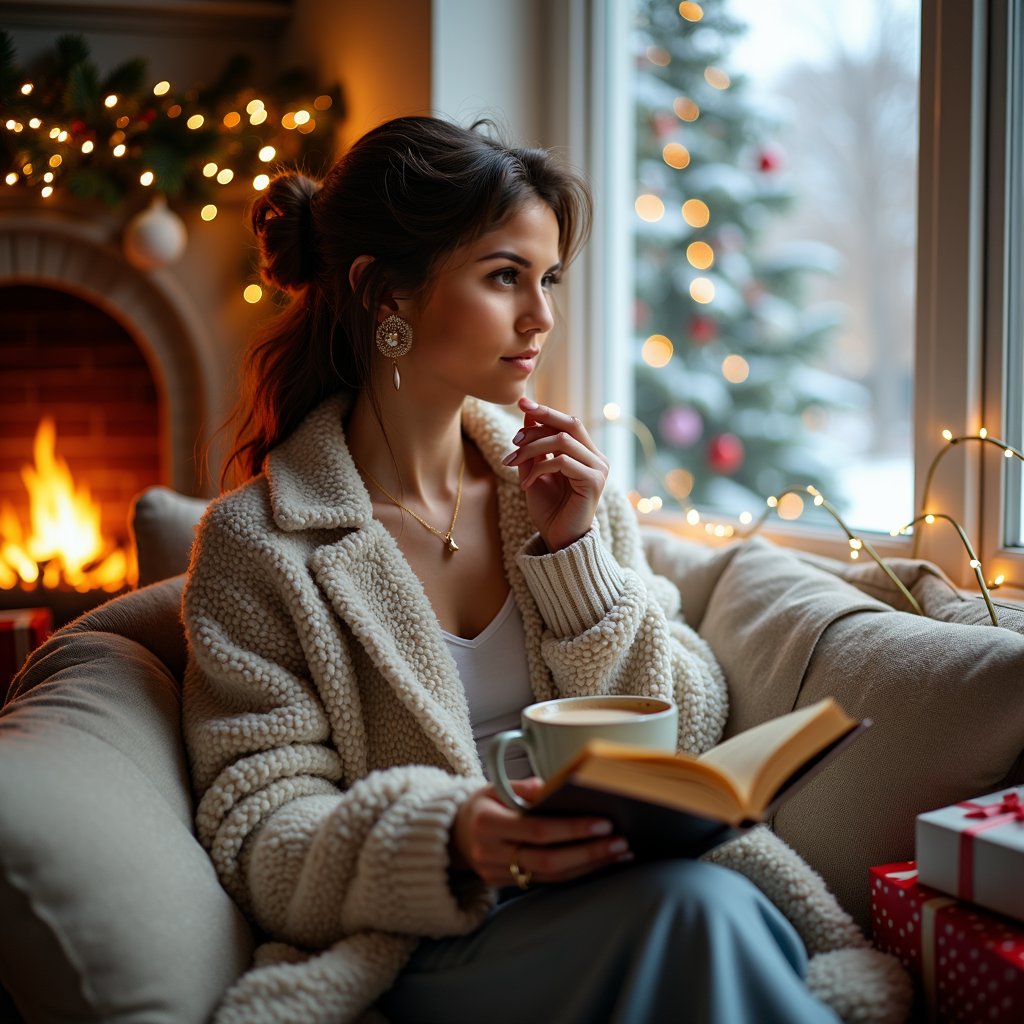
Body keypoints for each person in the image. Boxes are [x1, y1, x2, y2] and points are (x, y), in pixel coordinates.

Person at [182, 116, 910, 1024]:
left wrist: (578, 566)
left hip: (635, 893)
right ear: (382, 293)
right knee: (695, 913)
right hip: (432, 939)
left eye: (550, 278)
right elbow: (258, 829)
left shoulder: (559, 496)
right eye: (504, 277)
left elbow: (685, 726)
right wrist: (453, 837)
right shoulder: (259, 548)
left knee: (711, 909)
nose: (542, 316)